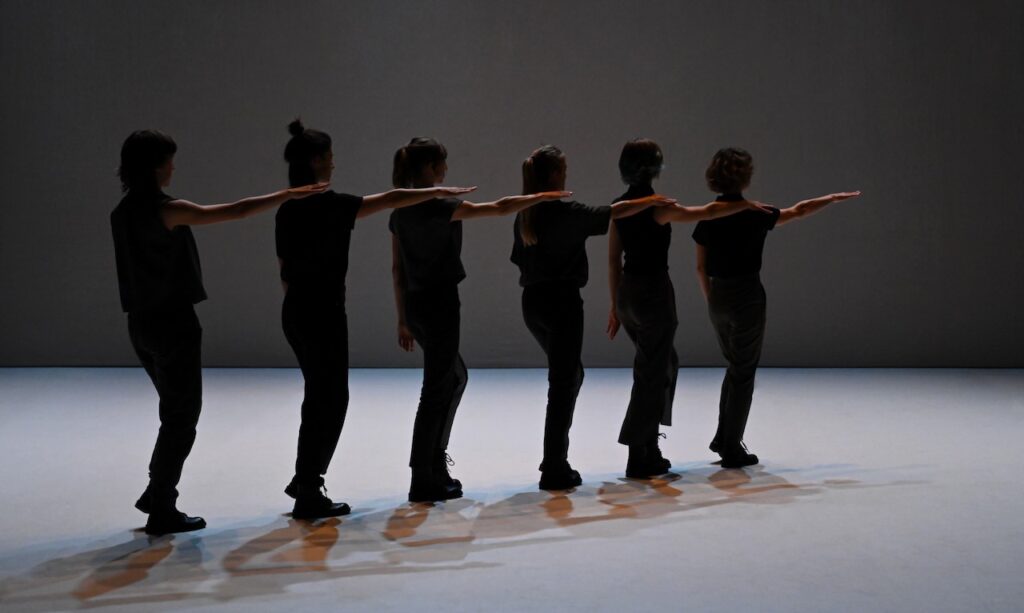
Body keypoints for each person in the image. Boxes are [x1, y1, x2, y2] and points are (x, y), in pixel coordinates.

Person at [111, 130, 328, 535]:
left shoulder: (121, 212)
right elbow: (235, 211)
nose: (173, 167)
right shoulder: (166, 210)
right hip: (172, 323)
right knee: (181, 416)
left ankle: (157, 492)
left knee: (173, 411)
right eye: (168, 160)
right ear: (154, 166)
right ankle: (162, 504)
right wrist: (286, 195)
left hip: (140, 324)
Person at [277, 121, 476, 519]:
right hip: (323, 314)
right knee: (330, 400)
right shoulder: (332, 205)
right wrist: (435, 193)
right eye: (329, 156)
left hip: (297, 312)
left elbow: (284, 269)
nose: (334, 163)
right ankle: (309, 487)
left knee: (319, 399)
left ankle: (306, 480)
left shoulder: (287, 209)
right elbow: (388, 200)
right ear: (316, 161)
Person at [390, 137, 570, 503]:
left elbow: (397, 269)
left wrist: (402, 319)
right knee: (437, 388)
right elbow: (499, 208)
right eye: (442, 163)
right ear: (430, 168)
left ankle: (432, 465)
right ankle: (423, 475)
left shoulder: (400, 211)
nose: (446, 169)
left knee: (453, 378)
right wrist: (539, 197)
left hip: (416, 307)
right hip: (440, 305)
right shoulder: (441, 207)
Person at [511, 145, 677, 491]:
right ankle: (553, 466)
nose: (567, 174)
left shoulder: (525, 215)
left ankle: (554, 460)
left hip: (533, 304)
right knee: (563, 383)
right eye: (563, 169)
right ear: (554, 175)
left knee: (568, 377)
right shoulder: (568, 213)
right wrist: (649, 201)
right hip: (562, 304)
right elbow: (615, 211)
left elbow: (520, 260)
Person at [606, 139, 769, 478]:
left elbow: (612, 259)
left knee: (662, 364)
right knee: (653, 372)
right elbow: (706, 213)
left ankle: (648, 445)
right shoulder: (659, 207)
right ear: (654, 169)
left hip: (628, 295)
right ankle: (639, 453)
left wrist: (614, 305)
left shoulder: (619, 207)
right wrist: (744, 205)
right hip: (652, 294)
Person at [691, 147, 860, 468]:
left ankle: (724, 437)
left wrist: (711, 299)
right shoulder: (757, 213)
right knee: (743, 371)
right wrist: (831, 199)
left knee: (735, 366)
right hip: (747, 296)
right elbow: (798, 211)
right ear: (745, 178)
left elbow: (700, 268)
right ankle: (731, 447)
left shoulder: (707, 216)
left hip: (718, 298)